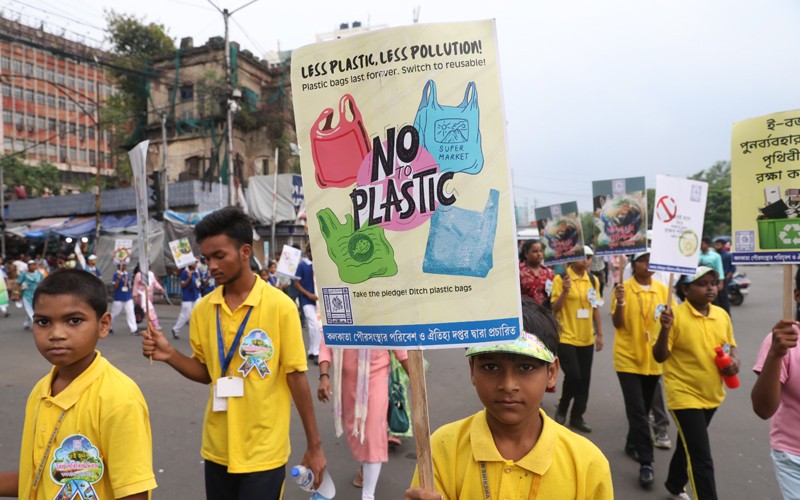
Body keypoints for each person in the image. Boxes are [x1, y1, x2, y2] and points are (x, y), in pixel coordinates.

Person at [141, 207, 327, 499]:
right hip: (217, 448)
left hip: (264, 451)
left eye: (219, 256)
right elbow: (207, 373)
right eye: (206, 259)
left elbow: (297, 378)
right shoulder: (204, 309)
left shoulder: (280, 307)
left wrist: (314, 446)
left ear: (244, 252)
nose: (211, 266)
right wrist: (170, 355)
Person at [404, 299, 613, 500]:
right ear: (472, 370)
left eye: (525, 367)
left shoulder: (587, 465)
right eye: (491, 367)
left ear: (551, 373)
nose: (508, 384)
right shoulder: (442, 448)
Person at [0, 269, 157, 499]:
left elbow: (133, 492)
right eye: (43, 322)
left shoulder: (119, 399)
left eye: (74, 321)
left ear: (103, 325)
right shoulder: (41, 391)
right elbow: (38, 477)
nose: (56, 334)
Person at [653, 266, 738, 500]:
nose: (710, 288)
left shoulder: (722, 315)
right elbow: (659, 356)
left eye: (713, 282)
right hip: (683, 395)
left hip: (712, 393)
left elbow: (731, 347)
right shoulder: (673, 315)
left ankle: (674, 483)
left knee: (689, 443)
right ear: (685, 289)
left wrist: (734, 363)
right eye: (702, 283)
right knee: (701, 456)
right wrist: (664, 330)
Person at [317, 338, 409, 500]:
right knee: (358, 434)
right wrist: (324, 376)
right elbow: (327, 338)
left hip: (377, 376)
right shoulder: (343, 313)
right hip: (348, 381)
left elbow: (398, 342)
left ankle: (368, 495)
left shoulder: (382, 313)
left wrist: (416, 377)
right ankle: (365, 465)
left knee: (373, 434)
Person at [611, 250, 670, 489]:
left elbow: (668, 324)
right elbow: (618, 323)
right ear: (634, 264)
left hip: (653, 361)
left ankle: (631, 442)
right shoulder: (623, 288)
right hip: (628, 358)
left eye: (651, 259)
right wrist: (621, 301)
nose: (648, 264)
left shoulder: (663, 290)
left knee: (644, 408)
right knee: (637, 410)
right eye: (644, 260)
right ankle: (646, 463)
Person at [751, 268, 800, 499]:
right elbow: (763, 409)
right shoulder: (783, 341)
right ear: (797, 295)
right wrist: (775, 354)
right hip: (794, 457)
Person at [551, 246, 604, 432]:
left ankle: (577, 416)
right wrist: (565, 291)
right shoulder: (560, 279)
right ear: (573, 258)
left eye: (589, 257)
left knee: (584, 381)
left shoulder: (593, 280)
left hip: (586, 338)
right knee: (573, 375)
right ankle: (563, 406)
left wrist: (600, 334)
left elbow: (595, 307)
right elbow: (554, 308)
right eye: (583, 257)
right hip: (566, 337)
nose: (587, 261)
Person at [294, 244, 321, 365]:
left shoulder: (319, 265)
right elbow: (296, 282)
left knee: (318, 326)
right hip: (307, 300)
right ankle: (316, 352)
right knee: (313, 325)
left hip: (319, 300)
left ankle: (312, 350)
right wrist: (307, 294)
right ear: (308, 253)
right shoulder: (302, 265)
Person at [518, 239, 556, 306]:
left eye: (541, 251)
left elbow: (553, 294)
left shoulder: (549, 273)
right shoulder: (519, 271)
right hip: (526, 312)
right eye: (534, 251)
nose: (539, 254)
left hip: (545, 312)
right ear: (526, 254)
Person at [171, 262, 201, 340]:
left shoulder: (196, 272)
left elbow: (198, 284)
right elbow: (183, 285)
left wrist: (198, 278)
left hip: (196, 296)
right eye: (195, 263)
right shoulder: (185, 272)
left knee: (197, 314)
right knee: (185, 315)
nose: (196, 264)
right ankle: (175, 329)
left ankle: (197, 333)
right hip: (187, 297)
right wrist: (188, 278)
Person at [698, 237, 727, 315]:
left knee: (717, 301)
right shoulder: (697, 255)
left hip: (713, 281)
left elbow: (719, 269)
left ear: (707, 245)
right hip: (699, 281)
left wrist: (720, 283)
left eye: (702, 244)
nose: (700, 246)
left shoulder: (715, 256)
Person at [133, 264, 166, 331]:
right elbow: (135, 286)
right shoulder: (139, 275)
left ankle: (150, 325)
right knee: (150, 310)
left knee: (147, 311)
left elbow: (155, 283)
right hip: (142, 296)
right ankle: (155, 324)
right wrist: (135, 296)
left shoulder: (151, 274)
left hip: (149, 296)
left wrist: (161, 289)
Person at [110, 262, 138, 336]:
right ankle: (109, 326)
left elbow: (129, 285)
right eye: (122, 265)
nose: (124, 267)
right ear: (118, 266)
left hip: (128, 297)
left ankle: (134, 329)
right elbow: (114, 287)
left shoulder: (127, 274)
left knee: (131, 312)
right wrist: (118, 280)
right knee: (115, 314)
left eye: (125, 265)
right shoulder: (116, 275)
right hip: (119, 297)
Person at [17, 259, 43, 330]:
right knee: (29, 309)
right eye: (31, 265)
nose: (33, 266)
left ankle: (26, 323)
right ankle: (36, 323)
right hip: (27, 295)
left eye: (34, 264)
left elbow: (42, 282)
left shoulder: (39, 273)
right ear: (28, 266)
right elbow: (18, 283)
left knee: (35, 309)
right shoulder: (24, 274)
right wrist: (17, 293)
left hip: (37, 294)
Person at [713, 237, 734, 313]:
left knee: (724, 299)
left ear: (723, 245)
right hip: (714, 281)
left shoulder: (728, 255)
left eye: (718, 244)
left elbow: (732, 269)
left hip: (724, 281)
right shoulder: (713, 255)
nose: (717, 246)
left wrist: (725, 279)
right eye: (716, 244)